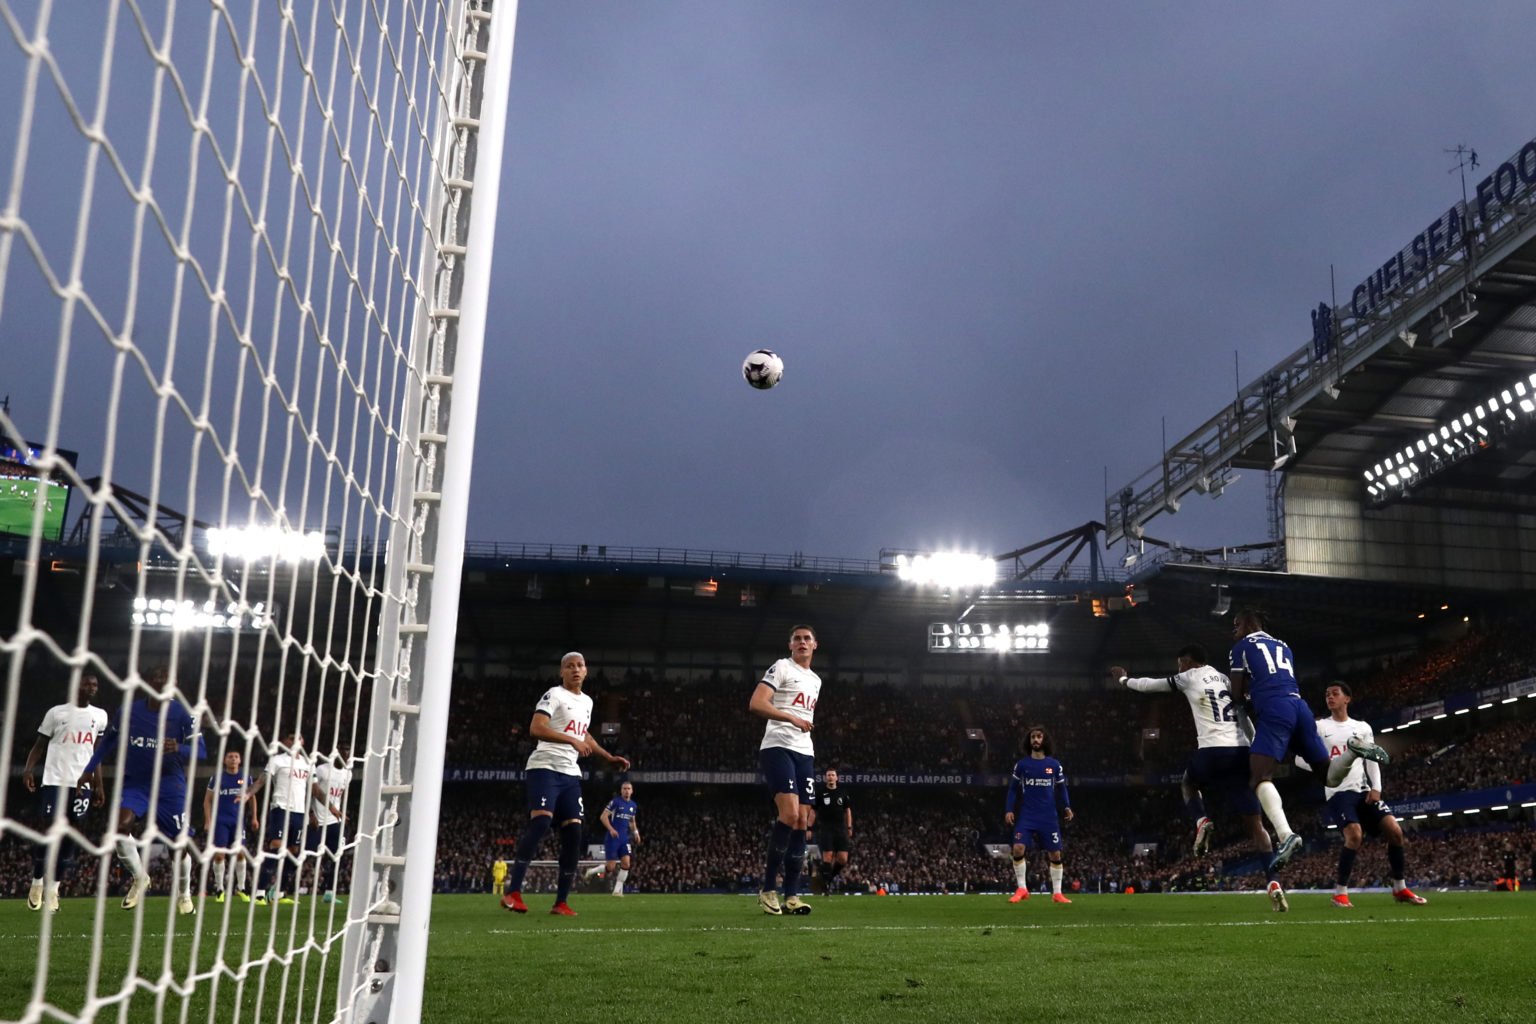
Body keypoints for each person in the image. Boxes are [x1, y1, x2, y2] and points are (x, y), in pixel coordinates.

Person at [1111, 646, 1286, 909]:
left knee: (1188, 783)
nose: (1179, 669)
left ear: (1189, 662)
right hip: (1241, 753)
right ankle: (1272, 880)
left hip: (1212, 750)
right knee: (1255, 825)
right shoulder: (1228, 680)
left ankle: (1201, 820)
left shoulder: (1190, 677)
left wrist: (1125, 680)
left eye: (1180, 664)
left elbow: (1151, 685)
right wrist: (1255, 747)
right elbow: (1243, 715)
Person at [1228, 608, 1388, 888]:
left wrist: (1242, 701)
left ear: (1249, 624)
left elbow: (1236, 693)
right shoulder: (1283, 645)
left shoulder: (1240, 647)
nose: (1234, 629)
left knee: (1258, 777)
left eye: (1236, 624)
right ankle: (1352, 750)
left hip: (1275, 709)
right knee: (1328, 776)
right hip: (1300, 707)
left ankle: (1286, 834)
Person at [501, 653, 630, 916]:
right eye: (569, 666)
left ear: (586, 671)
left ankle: (561, 902)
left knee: (574, 834)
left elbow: (583, 733)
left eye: (579, 665)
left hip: (570, 774)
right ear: (562, 672)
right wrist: (570, 741)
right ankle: (513, 892)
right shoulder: (554, 694)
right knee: (541, 822)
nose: (575, 669)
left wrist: (607, 757)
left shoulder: (587, 702)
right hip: (544, 767)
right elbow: (536, 728)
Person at [85, 668, 201, 914]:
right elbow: (107, 742)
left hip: (170, 784)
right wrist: (89, 769)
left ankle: (184, 894)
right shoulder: (129, 711)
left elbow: (200, 751)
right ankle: (140, 878)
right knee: (118, 830)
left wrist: (180, 747)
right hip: (137, 782)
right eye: (158, 679)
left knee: (178, 844)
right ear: (148, 683)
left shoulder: (183, 714)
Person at [1311, 683, 1426, 907]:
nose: (1330, 697)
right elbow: (1300, 759)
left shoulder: (1362, 727)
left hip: (1363, 791)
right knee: (1354, 835)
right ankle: (1340, 892)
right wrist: (1326, 770)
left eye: (1335, 693)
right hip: (1337, 792)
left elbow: (1371, 757)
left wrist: (1377, 789)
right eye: (1326, 694)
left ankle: (1400, 888)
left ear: (1348, 699)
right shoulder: (1319, 727)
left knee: (1395, 831)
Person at [748, 624, 821, 916]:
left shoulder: (815, 680)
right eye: (797, 639)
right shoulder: (781, 667)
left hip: (805, 751)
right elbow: (756, 703)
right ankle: (767, 889)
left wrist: (798, 723)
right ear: (790, 645)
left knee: (803, 820)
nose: (802, 642)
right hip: (778, 745)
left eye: (807, 639)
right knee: (789, 815)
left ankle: (792, 895)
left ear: (815, 645)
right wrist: (790, 718)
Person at [22, 672, 108, 912]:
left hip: (83, 785)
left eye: (95, 684)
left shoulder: (99, 716)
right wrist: (29, 770)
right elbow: (39, 746)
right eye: (88, 683)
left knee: (71, 836)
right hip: (55, 780)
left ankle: (54, 890)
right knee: (49, 832)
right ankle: (37, 881)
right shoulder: (56, 713)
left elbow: (97, 754)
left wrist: (99, 784)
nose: (92, 687)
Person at [243, 732, 335, 905]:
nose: (294, 741)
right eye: (291, 738)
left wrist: (331, 808)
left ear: (303, 741)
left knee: (295, 853)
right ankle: (259, 892)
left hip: (299, 813)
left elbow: (314, 790)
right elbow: (262, 780)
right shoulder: (277, 760)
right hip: (281, 808)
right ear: (285, 741)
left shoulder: (308, 763)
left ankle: (279, 892)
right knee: (276, 848)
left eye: (298, 738)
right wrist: (248, 794)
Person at [1004, 726, 1074, 904]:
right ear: (1029, 741)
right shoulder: (1022, 765)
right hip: (1027, 815)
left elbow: (1061, 788)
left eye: (1039, 737)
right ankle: (1022, 889)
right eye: (1033, 737)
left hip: (1048, 817)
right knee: (1018, 848)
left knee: (1055, 854)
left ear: (1044, 740)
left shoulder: (1054, 765)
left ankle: (1057, 893)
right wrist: (1009, 809)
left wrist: (1067, 807)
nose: (1035, 739)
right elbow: (1013, 789)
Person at [202, 749, 259, 903]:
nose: (233, 759)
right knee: (220, 855)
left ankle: (241, 888)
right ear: (224, 760)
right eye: (230, 757)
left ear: (240, 760)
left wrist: (254, 817)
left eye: (236, 756)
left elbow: (252, 798)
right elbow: (207, 800)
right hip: (220, 822)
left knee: (240, 853)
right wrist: (208, 821)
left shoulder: (245, 778)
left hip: (238, 822)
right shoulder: (217, 778)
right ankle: (219, 889)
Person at [309, 742, 353, 904]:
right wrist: (310, 813)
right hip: (317, 821)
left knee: (337, 856)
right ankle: (279, 888)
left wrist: (343, 814)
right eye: (343, 750)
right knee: (303, 854)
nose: (346, 754)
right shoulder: (322, 770)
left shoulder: (347, 774)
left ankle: (329, 892)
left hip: (335, 821)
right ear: (336, 751)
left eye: (348, 750)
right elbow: (310, 791)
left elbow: (341, 797)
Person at [583, 781, 641, 896]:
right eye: (624, 788)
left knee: (626, 864)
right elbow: (603, 817)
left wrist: (636, 833)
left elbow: (632, 821)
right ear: (621, 790)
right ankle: (591, 872)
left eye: (629, 788)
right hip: (612, 838)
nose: (626, 791)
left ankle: (617, 891)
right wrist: (611, 829)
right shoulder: (615, 802)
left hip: (624, 838)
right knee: (611, 867)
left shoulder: (633, 805)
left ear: (632, 791)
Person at [811, 768, 852, 895]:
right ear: (825, 778)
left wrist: (849, 827)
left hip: (840, 829)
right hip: (826, 828)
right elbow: (813, 811)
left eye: (832, 775)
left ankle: (827, 878)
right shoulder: (820, 793)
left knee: (843, 859)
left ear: (836, 778)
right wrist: (809, 827)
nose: (830, 777)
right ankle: (826, 887)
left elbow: (848, 811)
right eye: (828, 775)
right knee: (828, 856)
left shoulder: (842, 793)